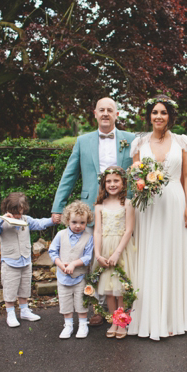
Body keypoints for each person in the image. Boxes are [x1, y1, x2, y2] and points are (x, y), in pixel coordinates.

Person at [51, 97, 135, 326]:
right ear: (95, 114)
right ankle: (98, 307)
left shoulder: (131, 139)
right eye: (102, 110)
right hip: (92, 207)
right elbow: (70, 175)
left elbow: (138, 172)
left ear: (117, 114)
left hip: (121, 208)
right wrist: (58, 207)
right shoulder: (83, 141)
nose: (106, 113)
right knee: (92, 259)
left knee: (120, 257)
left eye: (110, 110)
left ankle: (125, 309)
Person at [127, 95, 187, 340]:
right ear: (149, 115)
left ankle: (171, 318)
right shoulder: (139, 144)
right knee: (149, 256)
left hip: (175, 203)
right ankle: (148, 317)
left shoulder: (182, 142)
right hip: (148, 207)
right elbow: (135, 178)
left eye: (163, 112)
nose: (158, 116)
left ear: (170, 116)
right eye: (155, 112)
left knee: (172, 256)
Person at [0, 192, 55, 328]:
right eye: (14, 212)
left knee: (24, 286)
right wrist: (2, 219)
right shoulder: (2, 222)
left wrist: (52, 220)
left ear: (24, 209)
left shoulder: (26, 219)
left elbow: (39, 223)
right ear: (7, 209)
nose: (17, 215)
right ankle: (10, 313)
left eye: (19, 212)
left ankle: (24, 310)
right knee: (10, 288)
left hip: (25, 260)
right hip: (10, 261)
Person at [93, 166, 136, 340]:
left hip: (122, 249)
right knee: (109, 289)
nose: (112, 184)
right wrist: (97, 254)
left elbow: (128, 230)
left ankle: (123, 322)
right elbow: (97, 231)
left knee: (121, 288)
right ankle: (114, 321)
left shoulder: (127, 203)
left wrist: (117, 252)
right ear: (104, 183)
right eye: (108, 181)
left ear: (123, 182)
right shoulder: (99, 206)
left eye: (116, 180)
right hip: (104, 248)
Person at [48, 201, 94, 339]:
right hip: (63, 276)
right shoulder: (61, 235)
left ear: (87, 222)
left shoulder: (88, 237)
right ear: (67, 220)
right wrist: (60, 265)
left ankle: (82, 324)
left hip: (80, 276)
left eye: (82, 223)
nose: (78, 226)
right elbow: (52, 251)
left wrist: (74, 264)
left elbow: (87, 257)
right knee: (65, 300)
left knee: (81, 300)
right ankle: (68, 325)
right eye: (74, 222)